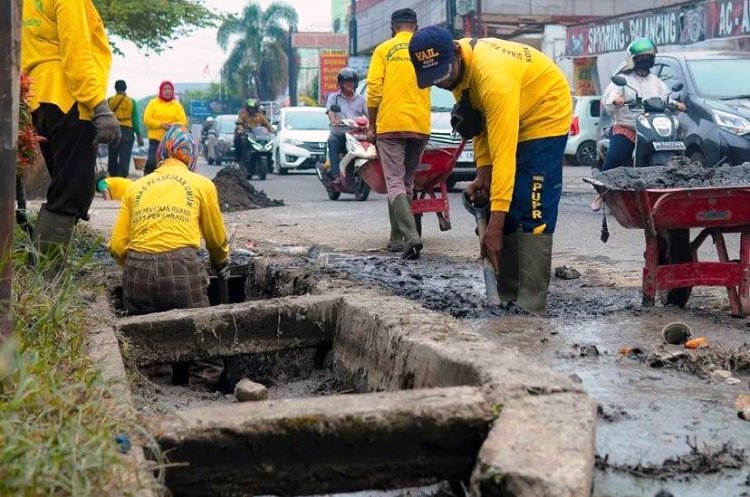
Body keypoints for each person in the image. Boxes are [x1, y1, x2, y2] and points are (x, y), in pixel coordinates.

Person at [409, 26, 572, 315]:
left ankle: (532, 304)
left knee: (531, 204)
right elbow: (479, 125)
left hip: (544, 113)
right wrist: (483, 173)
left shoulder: (492, 77)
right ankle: (508, 295)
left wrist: (494, 227)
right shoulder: (461, 73)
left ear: (457, 52)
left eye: (445, 75)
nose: (443, 84)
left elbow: (504, 154)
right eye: (435, 80)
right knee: (504, 204)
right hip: (513, 110)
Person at [109, 125, 229, 384]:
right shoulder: (202, 185)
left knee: (146, 337)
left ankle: (156, 388)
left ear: (161, 153)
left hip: (137, 271)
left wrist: (135, 267)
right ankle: (202, 391)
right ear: (192, 157)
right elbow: (216, 240)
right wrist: (221, 263)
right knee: (203, 335)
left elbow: (118, 246)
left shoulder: (135, 187)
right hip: (182, 269)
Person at [21, 0, 121, 267]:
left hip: (40, 99)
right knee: (72, 191)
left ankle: (48, 265)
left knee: (64, 186)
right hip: (69, 99)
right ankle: (45, 270)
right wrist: (100, 107)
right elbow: (77, 56)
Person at [593, 38, 687, 210]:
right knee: (616, 156)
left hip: (651, 129)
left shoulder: (656, 81)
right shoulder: (622, 78)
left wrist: (676, 104)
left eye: (648, 57)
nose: (645, 60)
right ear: (632, 59)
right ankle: (601, 192)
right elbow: (611, 96)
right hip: (627, 127)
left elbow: (667, 98)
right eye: (641, 57)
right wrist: (617, 100)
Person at [366, 9, 431, 260]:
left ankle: (411, 235)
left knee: (394, 181)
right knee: (406, 183)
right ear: (415, 27)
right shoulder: (424, 51)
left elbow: (373, 91)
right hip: (419, 124)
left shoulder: (383, 50)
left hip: (391, 124)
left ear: (393, 27)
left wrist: (373, 124)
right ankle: (396, 239)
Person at [326, 67, 367, 179]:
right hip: (340, 132)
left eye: (352, 81)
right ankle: (335, 176)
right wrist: (334, 120)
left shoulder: (361, 100)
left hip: (357, 134)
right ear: (341, 83)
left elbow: (369, 115)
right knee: (332, 141)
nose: (349, 84)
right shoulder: (333, 97)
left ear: (356, 83)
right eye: (346, 81)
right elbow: (330, 111)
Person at [142, 81, 187, 175]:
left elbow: (183, 122)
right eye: (165, 89)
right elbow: (146, 120)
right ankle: (146, 180)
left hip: (172, 141)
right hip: (155, 139)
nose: (167, 91)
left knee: (169, 165)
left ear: (173, 91)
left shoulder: (177, 105)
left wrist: (173, 126)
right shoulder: (153, 103)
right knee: (151, 162)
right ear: (161, 91)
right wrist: (160, 124)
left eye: (170, 89)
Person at [107, 79, 144, 178]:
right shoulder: (131, 102)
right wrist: (139, 135)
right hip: (127, 132)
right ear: (125, 88)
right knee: (125, 157)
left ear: (115, 88)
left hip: (113, 131)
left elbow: (106, 117)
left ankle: (112, 179)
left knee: (112, 157)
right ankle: (121, 180)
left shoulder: (110, 100)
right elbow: (135, 120)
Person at [234, 98, 273, 165]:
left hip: (257, 135)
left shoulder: (260, 116)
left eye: (253, 108)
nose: (252, 110)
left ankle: (269, 161)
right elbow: (239, 123)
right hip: (247, 134)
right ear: (247, 108)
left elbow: (267, 124)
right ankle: (241, 159)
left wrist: (271, 129)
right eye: (250, 108)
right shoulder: (243, 115)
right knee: (240, 141)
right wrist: (241, 129)